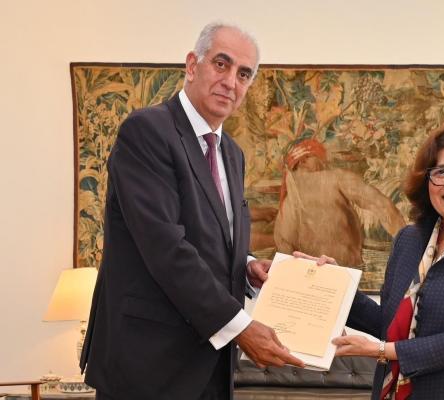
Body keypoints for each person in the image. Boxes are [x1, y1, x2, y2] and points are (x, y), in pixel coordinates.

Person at [79, 22, 304, 400]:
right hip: (146, 368)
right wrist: (241, 327)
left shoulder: (232, 153)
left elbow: (213, 237)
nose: (230, 82)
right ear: (192, 65)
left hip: (210, 367)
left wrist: (247, 264)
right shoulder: (147, 131)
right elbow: (166, 247)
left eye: (243, 74)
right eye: (221, 64)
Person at [302, 123, 444, 399]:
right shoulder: (409, 240)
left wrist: (380, 350)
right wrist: (336, 284)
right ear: (427, 181)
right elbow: (389, 323)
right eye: (441, 172)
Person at [274, 138, 406, 267]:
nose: (324, 162)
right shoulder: (336, 178)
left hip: (309, 276)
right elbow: (382, 206)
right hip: (344, 272)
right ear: (304, 160)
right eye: (319, 157)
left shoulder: (286, 205)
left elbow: (284, 251)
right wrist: (407, 249)